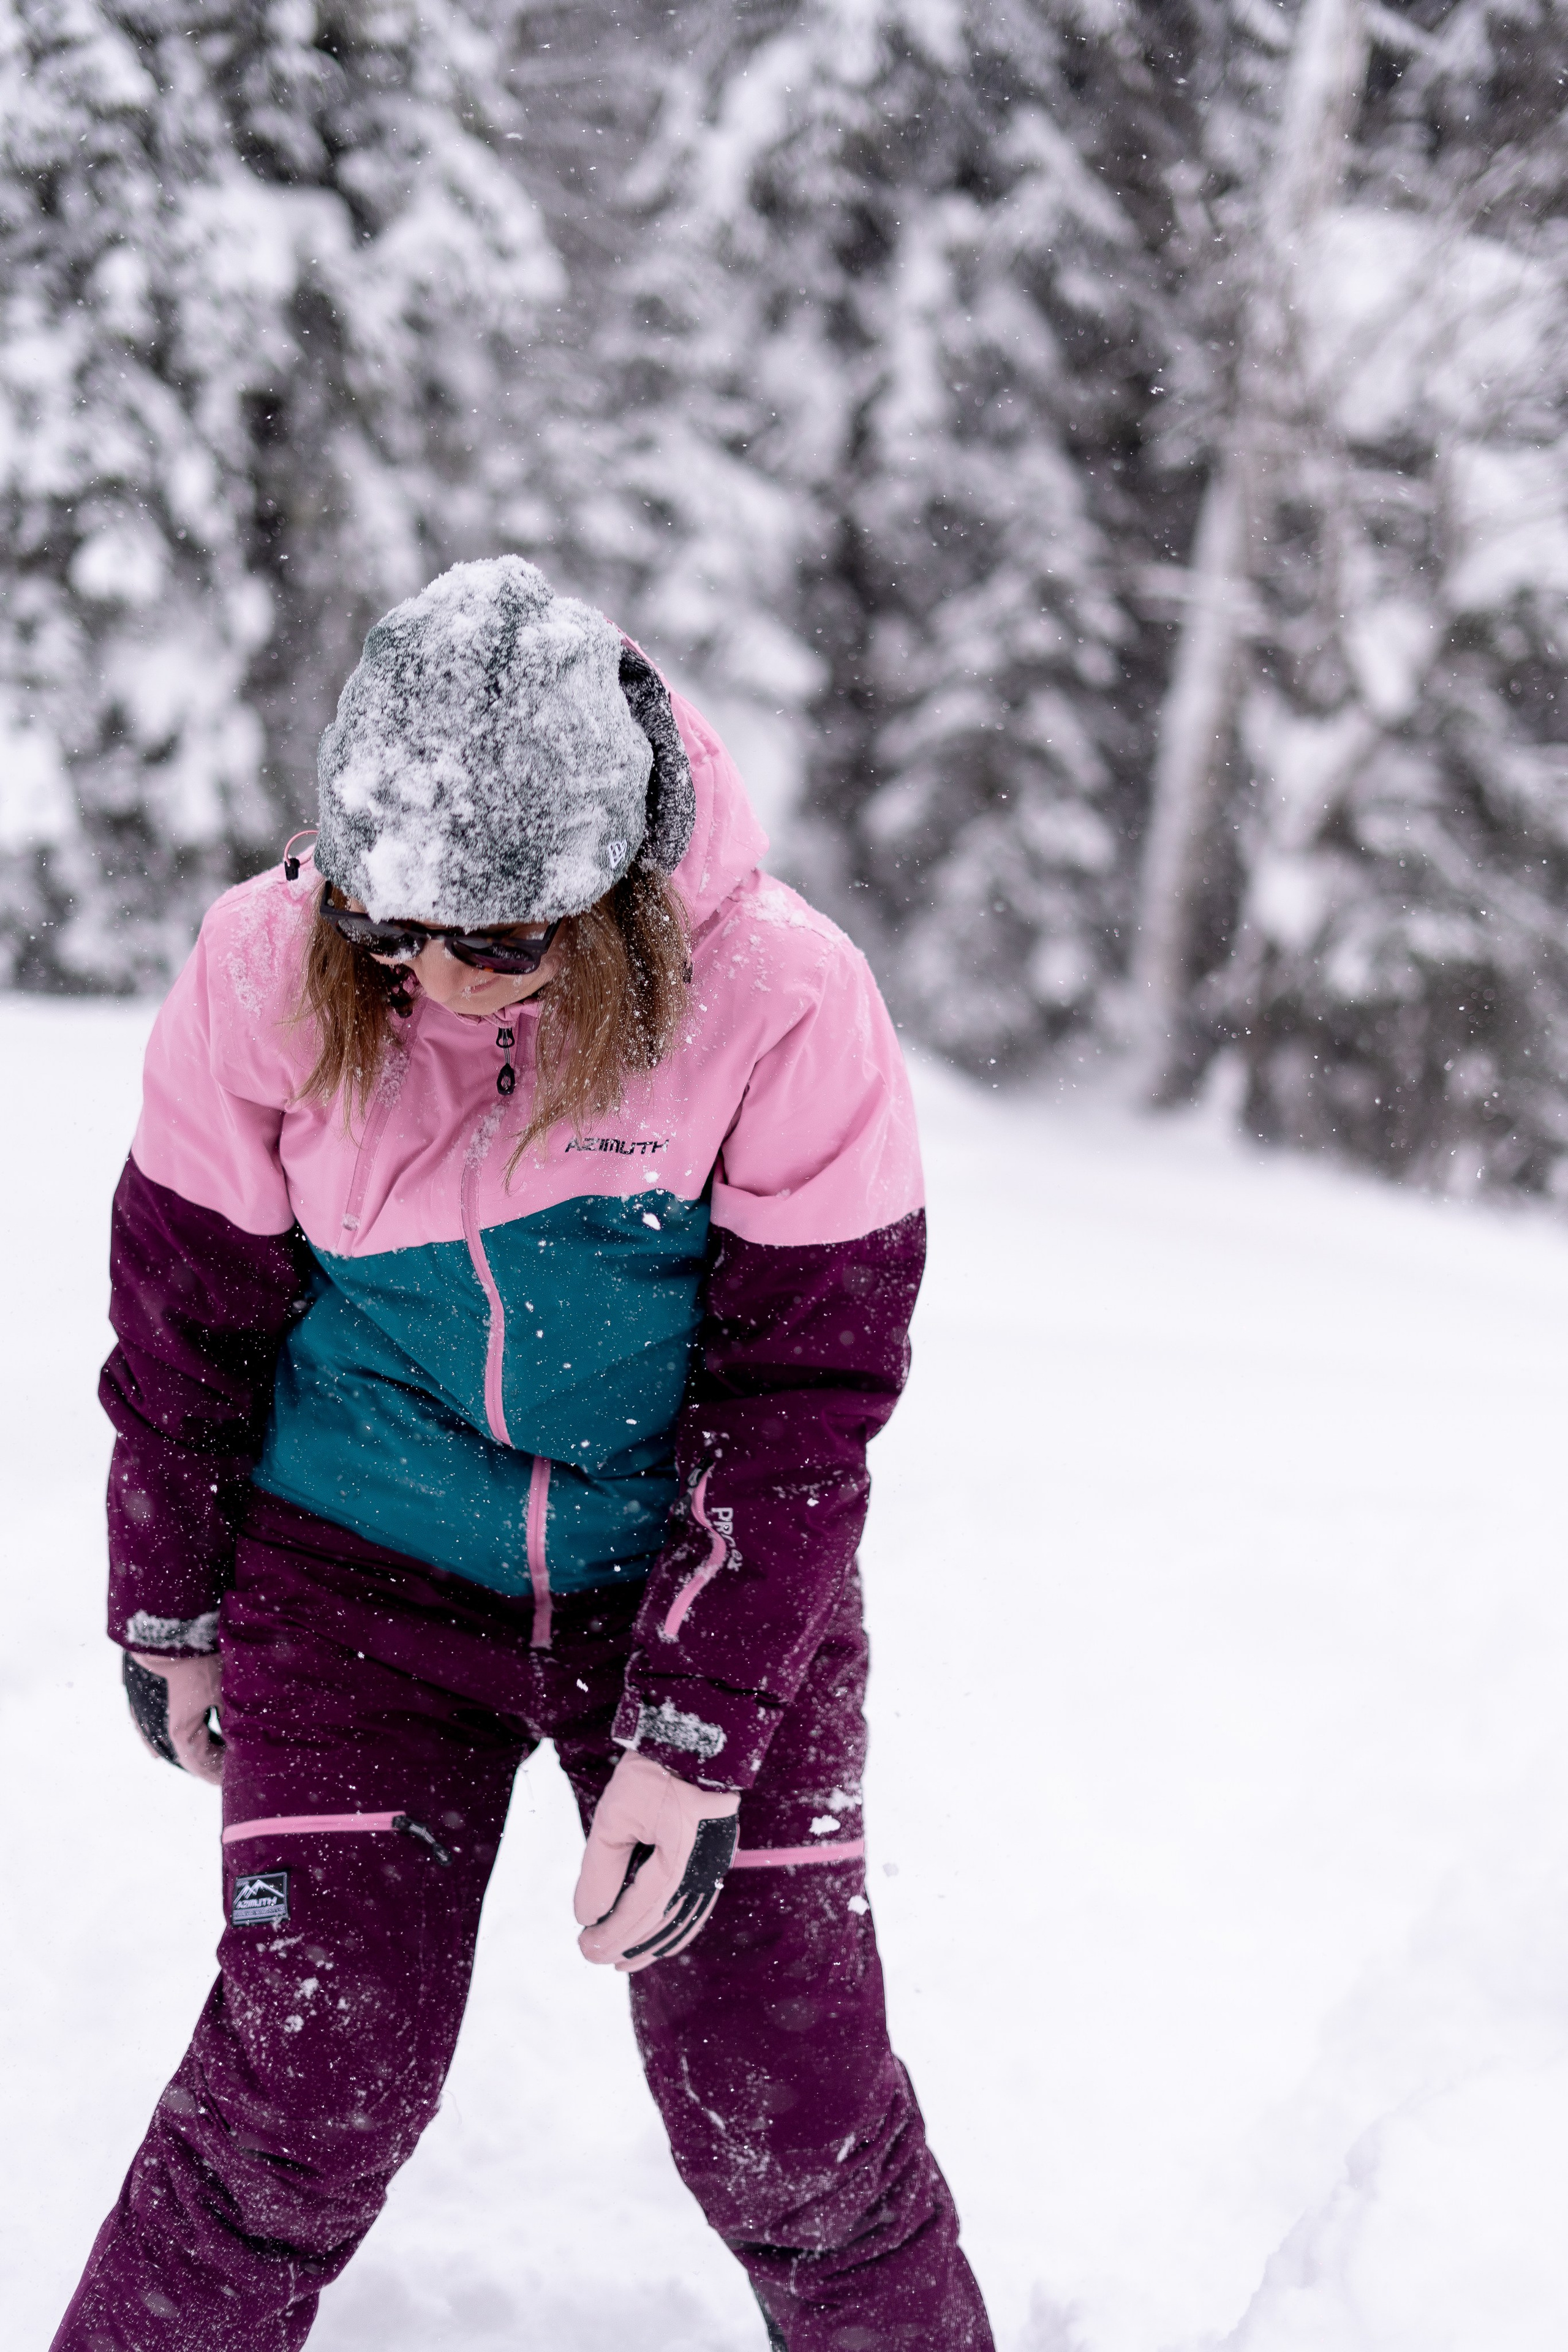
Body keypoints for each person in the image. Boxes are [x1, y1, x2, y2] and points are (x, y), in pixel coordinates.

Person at [53, 557, 992, 2352]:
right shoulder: (263, 966)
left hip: (682, 1580)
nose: (437, 985)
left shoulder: (784, 1001)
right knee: (299, 2099)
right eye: (391, 933)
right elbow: (186, 1315)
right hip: (360, 1574)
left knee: (789, 2120)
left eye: (494, 945)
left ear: (617, 899)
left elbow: (802, 1408)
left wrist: (695, 1740)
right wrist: (166, 1600)